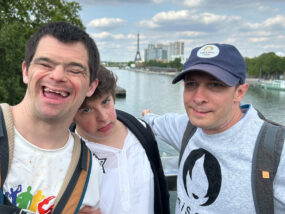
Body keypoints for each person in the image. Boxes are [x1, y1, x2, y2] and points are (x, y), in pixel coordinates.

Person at [142, 43, 285, 213]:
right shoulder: (187, 128)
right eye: (191, 84)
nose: (198, 98)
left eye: (215, 85)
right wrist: (145, 116)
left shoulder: (277, 151)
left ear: (239, 92)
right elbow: (153, 121)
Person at [2, 21, 102, 213]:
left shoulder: (89, 169)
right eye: (45, 64)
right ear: (25, 71)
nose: (57, 76)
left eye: (74, 70)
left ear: (91, 86)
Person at [72, 65, 170, 214]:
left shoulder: (141, 131)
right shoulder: (64, 155)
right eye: (86, 110)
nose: (103, 117)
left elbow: (160, 192)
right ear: (70, 114)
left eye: (105, 101)